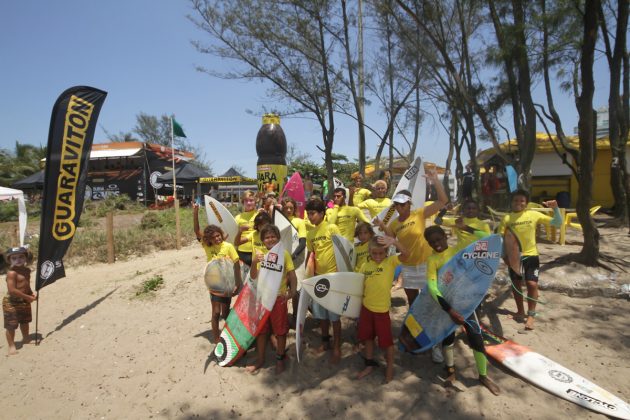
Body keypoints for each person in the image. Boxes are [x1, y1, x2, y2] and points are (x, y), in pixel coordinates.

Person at [376, 169, 448, 363]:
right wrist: (379, 227)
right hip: (407, 267)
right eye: (397, 205)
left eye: (403, 204)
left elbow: (443, 202)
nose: (400, 208)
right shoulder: (394, 224)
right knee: (413, 303)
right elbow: (389, 240)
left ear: (409, 204)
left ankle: (435, 344)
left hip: (426, 265)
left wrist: (435, 182)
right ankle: (417, 336)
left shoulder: (419, 213)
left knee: (431, 302)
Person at [422, 225, 500, 395]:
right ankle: (450, 372)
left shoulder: (459, 248)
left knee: (476, 338)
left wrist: (467, 228)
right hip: (447, 306)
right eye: (432, 242)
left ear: (445, 236)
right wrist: (449, 310)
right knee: (448, 339)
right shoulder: (432, 260)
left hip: (467, 303)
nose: (437, 244)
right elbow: (432, 286)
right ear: (428, 243)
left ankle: (483, 376)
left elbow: (486, 236)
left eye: (439, 239)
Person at [498, 189, 562, 331]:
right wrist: (504, 258)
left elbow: (557, 223)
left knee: (532, 284)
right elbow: (500, 239)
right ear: (511, 202)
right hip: (514, 257)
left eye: (522, 200)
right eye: (516, 200)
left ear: (526, 203)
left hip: (531, 255)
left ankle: (531, 315)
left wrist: (555, 208)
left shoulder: (533, 214)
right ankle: (520, 311)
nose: (518, 203)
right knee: (516, 285)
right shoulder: (507, 218)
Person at [356, 235, 408, 383]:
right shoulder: (365, 266)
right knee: (368, 338)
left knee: (386, 343)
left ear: (386, 252)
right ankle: (369, 364)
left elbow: (406, 254)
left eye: (381, 253)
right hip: (366, 308)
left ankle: (390, 367)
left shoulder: (391, 262)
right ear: (369, 252)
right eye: (374, 253)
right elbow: (360, 287)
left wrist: (394, 242)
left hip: (382, 311)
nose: (378, 256)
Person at [246, 224, 297, 374]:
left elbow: (292, 275)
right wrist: (254, 262)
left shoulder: (285, 254)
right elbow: (253, 277)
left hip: (278, 299)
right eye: (267, 237)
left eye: (273, 236)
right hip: (262, 299)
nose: (270, 239)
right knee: (261, 331)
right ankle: (260, 359)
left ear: (278, 238)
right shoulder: (259, 254)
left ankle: (280, 358)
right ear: (263, 240)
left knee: (280, 331)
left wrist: (292, 292)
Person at [193, 204, 242, 344]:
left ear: (222, 234)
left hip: (227, 283)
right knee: (215, 313)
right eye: (214, 237)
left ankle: (232, 333)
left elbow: (237, 265)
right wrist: (195, 212)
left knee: (226, 313)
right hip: (214, 284)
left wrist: (237, 284)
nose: (217, 239)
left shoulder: (228, 247)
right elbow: (197, 230)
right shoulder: (207, 246)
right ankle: (216, 339)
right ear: (209, 239)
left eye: (219, 236)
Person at [305, 196, 343, 363]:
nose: (309, 216)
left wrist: (342, 276)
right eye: (308, 213)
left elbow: (342, 251)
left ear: (322, 213)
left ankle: (337, 346)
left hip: (334, 278)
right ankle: (325, 342)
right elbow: (311, 255)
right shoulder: (310, 233)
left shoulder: (332, 228)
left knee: (334, 317)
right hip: (319, 280)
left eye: (312, 213)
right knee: (321, 316)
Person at [3, 247, 37, 355]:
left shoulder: (27, 270)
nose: (18, 260)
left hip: (24, 300)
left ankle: (26, 338)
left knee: (25, 321)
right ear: (9, 260)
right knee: (11, 325)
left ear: (26, 258)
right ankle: (11, 345)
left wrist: (30, 293)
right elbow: (12, 290)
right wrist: (27, 298)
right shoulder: (11, 273)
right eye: (14, 258)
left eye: (21, 257)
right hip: (11, 302)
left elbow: (26, 284)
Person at [234, 191, 259, 266]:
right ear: (242, 202)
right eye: (246, 200)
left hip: (257, 251)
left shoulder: (260, 215)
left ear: (255, 202)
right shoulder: (238, 218)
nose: (248, 203)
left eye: (251, 200)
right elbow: (234, 235)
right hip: (242, 252)